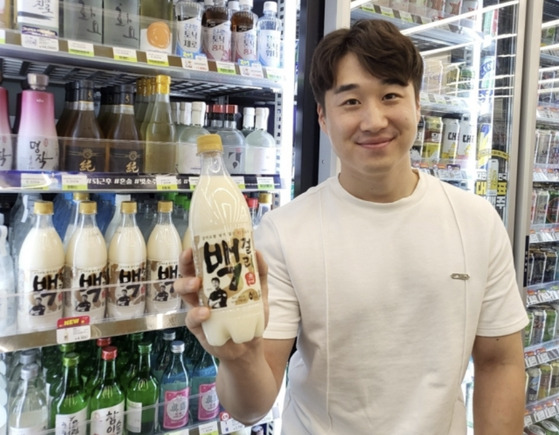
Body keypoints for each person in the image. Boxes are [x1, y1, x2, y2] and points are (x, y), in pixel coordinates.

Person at [175, 19, 528, 434]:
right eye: (351, 102)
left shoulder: (477, 221)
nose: (374, 120)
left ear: (418, 105)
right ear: (323, 117)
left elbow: (500, 361)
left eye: (391, 95)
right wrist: (239, 358)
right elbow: (250, 407)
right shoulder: (285, 231)